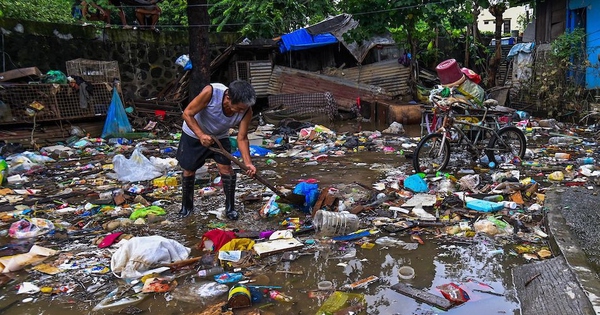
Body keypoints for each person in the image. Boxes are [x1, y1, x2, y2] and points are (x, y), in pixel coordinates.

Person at [176, 80, 257, 220]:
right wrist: (201, 135)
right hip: (194, 133)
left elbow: (242, 138)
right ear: (228, 98)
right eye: (238, 108)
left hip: (219, 136)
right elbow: (187, 113)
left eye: (243, 109)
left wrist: (248, 163)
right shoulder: (211, 92)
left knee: (227, 169)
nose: (240, 112)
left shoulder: (246, 111)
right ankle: (186, 207)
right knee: (189, 169)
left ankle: (230, 209)